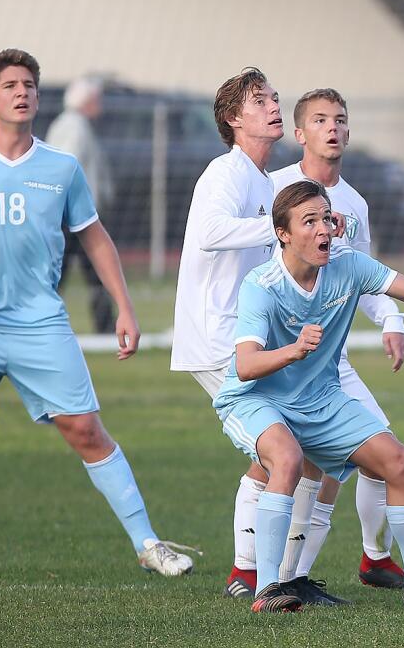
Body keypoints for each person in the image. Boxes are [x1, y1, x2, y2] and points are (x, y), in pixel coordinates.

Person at [0, 49, 193, 580]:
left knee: (86, 429)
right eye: (11, 85)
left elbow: (94, 235)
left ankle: (148, 542)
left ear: (39, 98)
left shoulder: (61, 166)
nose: (22, 92)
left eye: (29, 85)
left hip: (40, 321)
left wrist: (125, 308)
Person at [217, 179, 404, 611]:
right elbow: (245, 365)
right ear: (282, 234)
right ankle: (268, 589)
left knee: (400, 462)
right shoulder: (261, 284)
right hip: (254, 399)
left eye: (326, 217)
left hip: (320, 400)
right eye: (309, 221)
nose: (323, 229)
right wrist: (294, 350)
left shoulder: (349, 265)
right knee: (285, 460)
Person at [170, 67, 335, 598]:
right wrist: (282, 227)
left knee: (303, 451)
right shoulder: (225, 172)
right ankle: (258, 577)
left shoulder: (264, 181)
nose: (272, 106)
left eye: (274, 98)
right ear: (233, 119)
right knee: (285, 453)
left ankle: (277, 576)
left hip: (246, 339)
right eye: (259, 100)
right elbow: (211, 234)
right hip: (219, 342)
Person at [268, 89, 404, 597]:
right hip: (276, 361)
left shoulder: (354, 204)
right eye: (321, 119)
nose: (334, 127)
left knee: (378, 453)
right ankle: (258, 575)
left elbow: (368, 278)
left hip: (329, 361)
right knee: (286, 461)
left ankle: (370, 558)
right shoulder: (272, 188)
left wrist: (393, 319)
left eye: (341, 119)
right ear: (299, 133)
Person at [45, 76, 115, 334]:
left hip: (73, 214)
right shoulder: (74, 127)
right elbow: (66, 168)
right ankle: (46, 322)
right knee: (86, 271)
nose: (101, 106)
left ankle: (105, 326)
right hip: (74, 217)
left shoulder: (72, 124)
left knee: (86, 272)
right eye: (97, 100)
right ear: (86, 101)